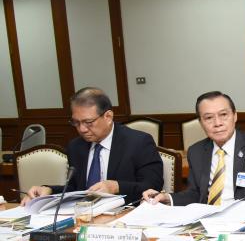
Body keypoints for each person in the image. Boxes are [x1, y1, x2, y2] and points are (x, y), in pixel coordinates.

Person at [143, 91, 245, 210]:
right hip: (208, 220)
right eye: (209, 118)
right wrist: (166, 198)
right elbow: (195, 194)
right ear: (201, 122)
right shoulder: (196, 151)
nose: (217, 123)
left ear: (235, 116)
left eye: (223, 115)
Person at [22, 87, 163, 204]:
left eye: (88, 122)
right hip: (85, 216)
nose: (82, 129)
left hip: (125, 216)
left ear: (108, 117)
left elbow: (153, 186)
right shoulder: (76, 147)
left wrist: (117, 186)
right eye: (76, 122)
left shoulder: (138, 142)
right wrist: (49, 190)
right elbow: (77, 189)